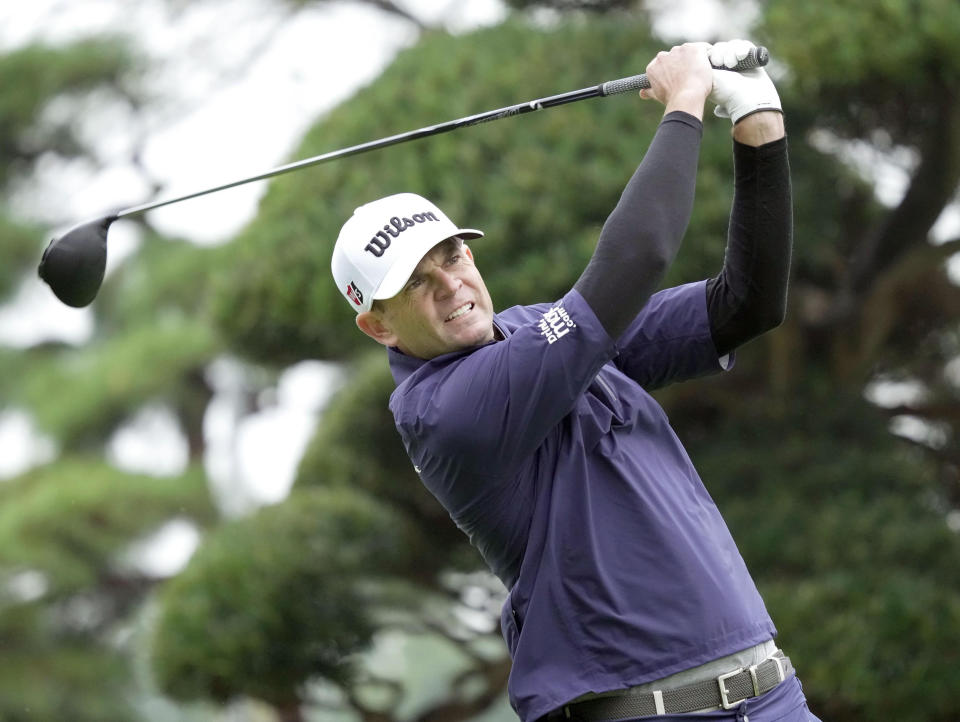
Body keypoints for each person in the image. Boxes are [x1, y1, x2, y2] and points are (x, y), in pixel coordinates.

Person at [331, 39, 819, 722]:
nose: (452, 284)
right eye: (417, 283)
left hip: (774, 697)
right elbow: (637, 256)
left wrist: (757, 122)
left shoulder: (540, 328)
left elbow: (748, 304)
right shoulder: (444, 412)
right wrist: (684, 101)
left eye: (453, 256)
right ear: (379, 327)